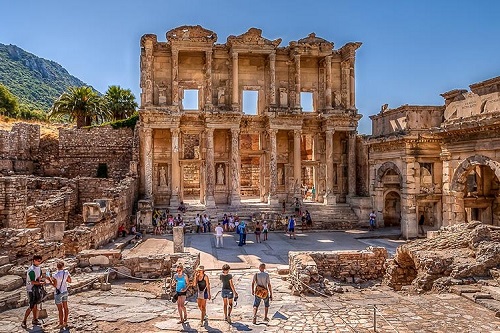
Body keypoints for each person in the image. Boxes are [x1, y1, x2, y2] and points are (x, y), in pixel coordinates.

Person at [22, 255, 45, 328]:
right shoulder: (31, 270)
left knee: (35, 305)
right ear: (34, 260)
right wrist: (41, 283)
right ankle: (24, 321)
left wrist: (40, 279)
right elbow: (32, 282)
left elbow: (38, 277)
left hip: (37, 289)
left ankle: (35, 319)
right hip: (31, 290)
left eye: (40, 260)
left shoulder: (38, 268)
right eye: (38, 260)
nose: (39, 262)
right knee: (31, 306)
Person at [51, 261, 72, 329]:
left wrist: (50, 280)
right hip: (65, 291)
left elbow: (55, 285)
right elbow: (69, 281)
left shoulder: (55, 275)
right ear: (63, 266)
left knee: (60, 309)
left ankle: (61, 323)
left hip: (58, 293)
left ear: (57, 267)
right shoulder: (66, 272)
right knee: (65, 307)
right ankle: (65, 322)